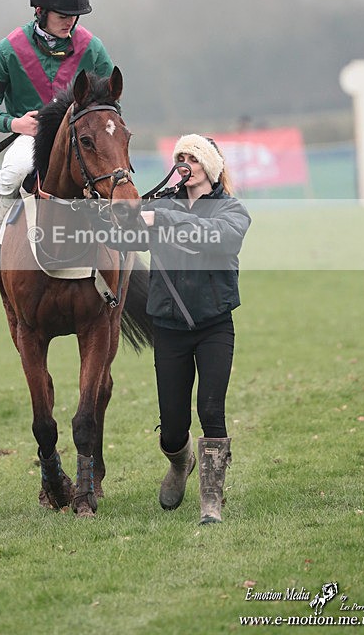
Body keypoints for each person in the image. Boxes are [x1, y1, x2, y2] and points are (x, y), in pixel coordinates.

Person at [140, 134, 251, 524]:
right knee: (172, 426)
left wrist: (165, 217)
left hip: (213, 326)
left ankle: (211, 503)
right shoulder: (160, 204)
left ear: (210, 166)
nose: (185, 162)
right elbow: (128, 239)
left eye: (193, 157)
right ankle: (178, 464)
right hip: (168, 327)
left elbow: (219, 239)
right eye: (180, 156)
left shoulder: (231, 209)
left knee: (211, 409)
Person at [0, 0, 114, 266]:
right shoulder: (7, 51)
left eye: (75, 16)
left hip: (79, 135)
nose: (71, 22)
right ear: (40, 12)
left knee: (111, 171)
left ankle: (120, 236)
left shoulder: (92, 48)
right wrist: (15, 124)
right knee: (15, 171)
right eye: (63, 16)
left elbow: (109, 100)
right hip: (32, 136)